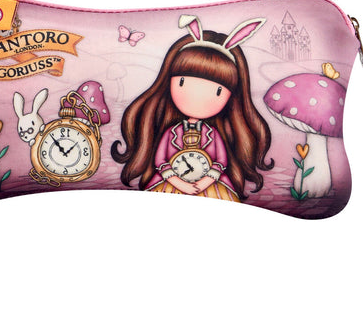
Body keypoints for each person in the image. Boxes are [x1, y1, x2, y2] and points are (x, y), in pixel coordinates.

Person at [111, 14, 274, 201]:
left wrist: (205, 182)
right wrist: (179, 183)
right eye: (182, 82)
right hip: (172, 184)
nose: (197, 97)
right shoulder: (172, 133)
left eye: (218, 91)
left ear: (231, 97)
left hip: (208, 186)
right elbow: (160, 160)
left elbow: (221, 161)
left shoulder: (212, 134)